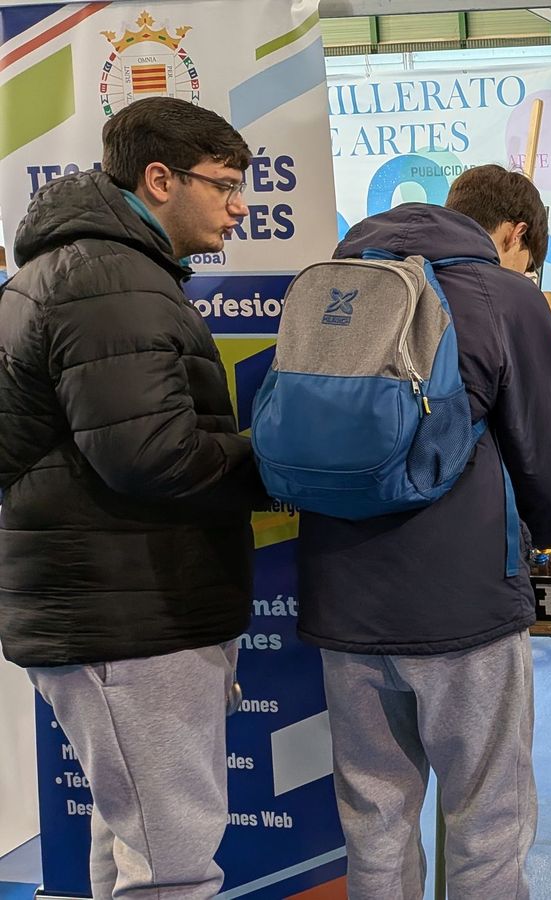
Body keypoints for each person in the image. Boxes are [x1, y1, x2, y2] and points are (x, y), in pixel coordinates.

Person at [294, 164, 551, 899]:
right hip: (465, 605)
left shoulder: (335, 283)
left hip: (341, 599)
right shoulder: (506, 296)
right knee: (487, 820)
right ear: (516, 233)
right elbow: (549, 452)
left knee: (375, 820)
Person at [0, 97, 263, 899]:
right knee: (171, 865)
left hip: (115, 606)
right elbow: (149, 455)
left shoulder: (79, 270)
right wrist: (279, 461)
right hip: (131, 614)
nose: (239, 206)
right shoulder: (110, 279)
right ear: (160, 179)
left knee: (134, 841)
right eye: (224, 185)